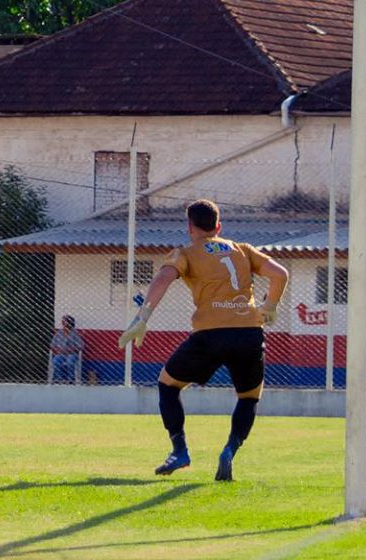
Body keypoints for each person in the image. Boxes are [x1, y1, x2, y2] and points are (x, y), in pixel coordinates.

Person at [118, 199, 289, 482]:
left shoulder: (185, 253)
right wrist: (269, 306)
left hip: (209, 334)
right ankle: (229, 451)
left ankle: (180, 450)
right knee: (248, 397)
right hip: (248, 331)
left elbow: (163, 278)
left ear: (189, 227)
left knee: (168, 384)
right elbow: (280, 274)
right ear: (218, 226)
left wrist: (143, 317)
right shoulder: (242, 250)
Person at [50, 315, 84, 384]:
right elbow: (52, 345)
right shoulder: (59, 333)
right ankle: (59, 380)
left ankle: (70, 380)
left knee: (70, 361)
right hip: (61, 353)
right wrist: (57, 350)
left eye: (64, 321)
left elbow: (81, 346)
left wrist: (72, 349)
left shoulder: (75, 333)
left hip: (71, 354)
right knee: (56, 361)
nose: (62, 323)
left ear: (69, 322)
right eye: (62, 321)